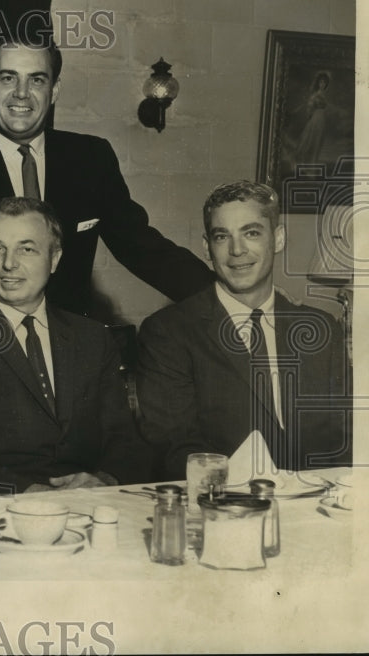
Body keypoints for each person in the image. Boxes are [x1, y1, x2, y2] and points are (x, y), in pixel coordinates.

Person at [0, 39, 213, 354]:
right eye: (8, 78)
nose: (21, 93)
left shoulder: (90, 158)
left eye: (37, 79)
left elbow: (142, 247)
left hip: (70, 356)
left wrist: (222, 295)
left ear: (55, 90)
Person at [0, 197, 151, 493]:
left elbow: (125, 442)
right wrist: (24, 490)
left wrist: (105, 479)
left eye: (27, 249)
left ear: (54, 258)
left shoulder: (93, 338)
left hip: (87, 506)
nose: (9, 264)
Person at [136, 180, 351, 479]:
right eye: (222, 236)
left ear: (277, 239)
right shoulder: (169, 333)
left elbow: (350, 437)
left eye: (251, 233)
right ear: (206, 247)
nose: (237, 250)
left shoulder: (322, 329)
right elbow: (175, 448)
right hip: (226, 506)